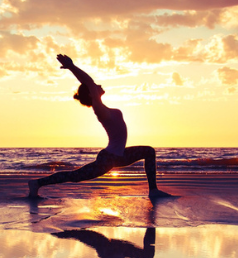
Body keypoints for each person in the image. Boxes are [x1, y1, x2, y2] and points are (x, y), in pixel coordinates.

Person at [28, 54, 171, 199]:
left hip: (118, 156)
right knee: (76, 176)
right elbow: (89, 82)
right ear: (91, 93)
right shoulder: (99, 110)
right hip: (109, 158)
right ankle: (37, 183)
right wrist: (72, 67)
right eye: (95, 87)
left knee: (149, 151)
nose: (99, 85)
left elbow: (90, 83)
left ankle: (153, 190)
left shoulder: (104, 108)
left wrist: (74, 70)